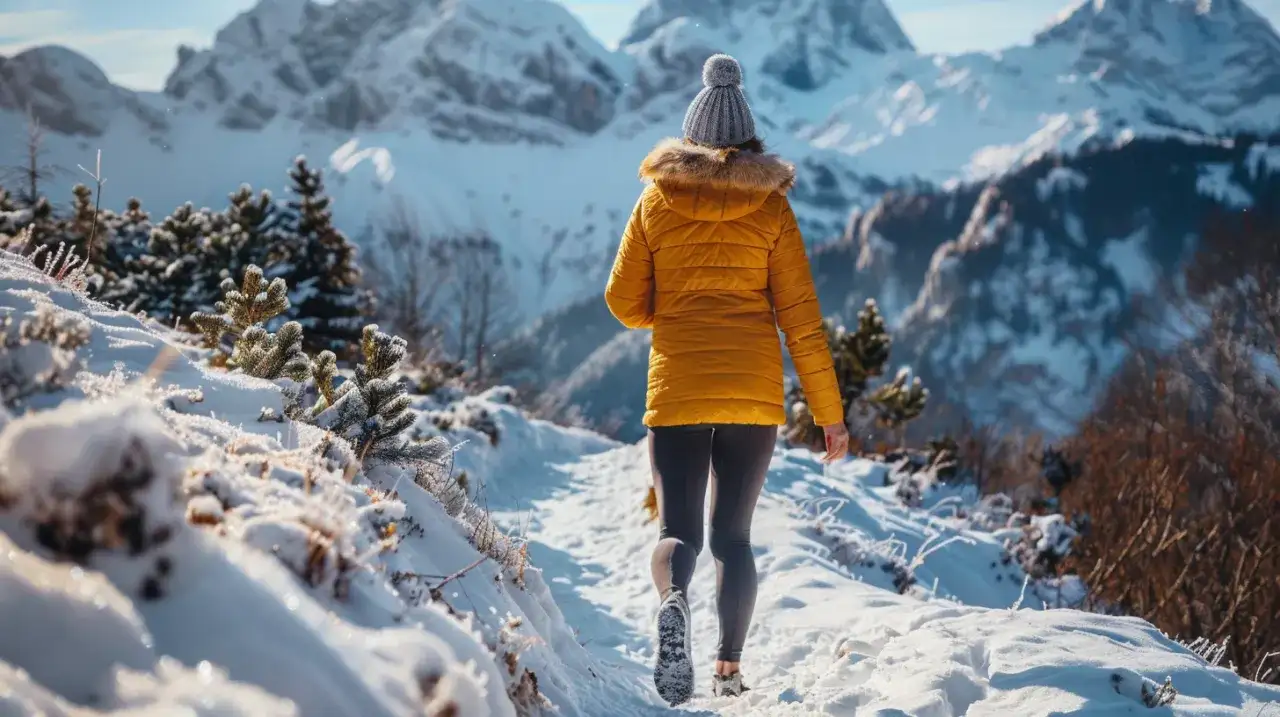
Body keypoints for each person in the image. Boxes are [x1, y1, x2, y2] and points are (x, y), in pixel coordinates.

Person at [604, 53, 850, 705]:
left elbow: (622, 300)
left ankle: (673, 602)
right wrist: (831, 414)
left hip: (679, 384)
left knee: (677, 530)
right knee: (733, 536)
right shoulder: (771, 209)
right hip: (752, 391)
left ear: (690, 136)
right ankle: (728, 668)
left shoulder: (656, 200)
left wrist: (672, 310)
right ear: (747, 140)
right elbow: (801, 319)